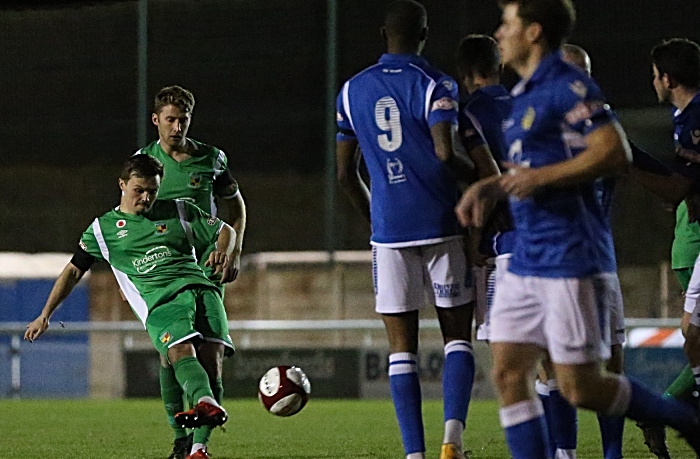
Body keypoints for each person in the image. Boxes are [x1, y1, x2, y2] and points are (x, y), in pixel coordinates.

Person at [455, 1, 700, 458]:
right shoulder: (524, 94)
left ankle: (680, 416)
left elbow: (614, 154)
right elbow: (533, 167)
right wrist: (493, 186)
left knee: (580, 387)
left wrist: (533, 179)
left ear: (533, 32)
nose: (499, 32)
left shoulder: (570, 86)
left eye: (508, 23)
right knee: (509, 373)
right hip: (525, 255)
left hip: (568, 257)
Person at [336, 2, 479, 458]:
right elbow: (443, 152)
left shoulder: (350, 90)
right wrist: (480, 182)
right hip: (441, 222)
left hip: (390, 230)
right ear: (424, 34)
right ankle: (451, 441)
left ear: (383, 33)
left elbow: (345, 174)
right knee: (457, 335)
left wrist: (375, 217)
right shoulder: (437, 83)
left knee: (402, 349)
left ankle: (414, 454)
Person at [24, 155, 235, 459]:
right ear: (122, 185)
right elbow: (73, 271)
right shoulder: (103, 230)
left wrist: (222, 251)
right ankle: (200, 411)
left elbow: (225, 230)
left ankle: (198, 449)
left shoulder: (178, 208)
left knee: (212, 363)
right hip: (163, 299)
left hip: (203, 288)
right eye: (139, 190)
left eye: (152, 191)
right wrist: (45, 315)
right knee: (179, 352)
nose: (146, 197)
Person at [135, 85, 247, 459]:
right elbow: (130, 218)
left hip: (206, 272)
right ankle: (180, 440)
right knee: (172, 355)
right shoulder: (143, 161)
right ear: (156, 120)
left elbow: (236, 212)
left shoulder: (211, 159)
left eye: (183, 120)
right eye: (170, 119)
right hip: (165, 273)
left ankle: (200, 446)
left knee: (211, 353)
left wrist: (231, 251)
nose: (176, 127)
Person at [530, 43, 626, 459]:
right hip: (552, 260)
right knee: (543, 363)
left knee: (612, 360)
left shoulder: (602, 126)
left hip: (595, 256)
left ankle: (612, 452)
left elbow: (624, 162)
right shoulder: (537, 122)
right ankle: (563, 453)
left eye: (584, 74)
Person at [629, 38, 700, 459]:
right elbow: (681, 187)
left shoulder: (692, 118)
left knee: (695, 336)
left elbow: (679, 187)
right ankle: (666, 410)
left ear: (667, 78)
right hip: (691, 244)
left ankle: (662, 410)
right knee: (695, 337)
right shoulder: (684, 118)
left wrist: (626, 157)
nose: (653, 81)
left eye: (655, 75)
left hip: (691, 243)